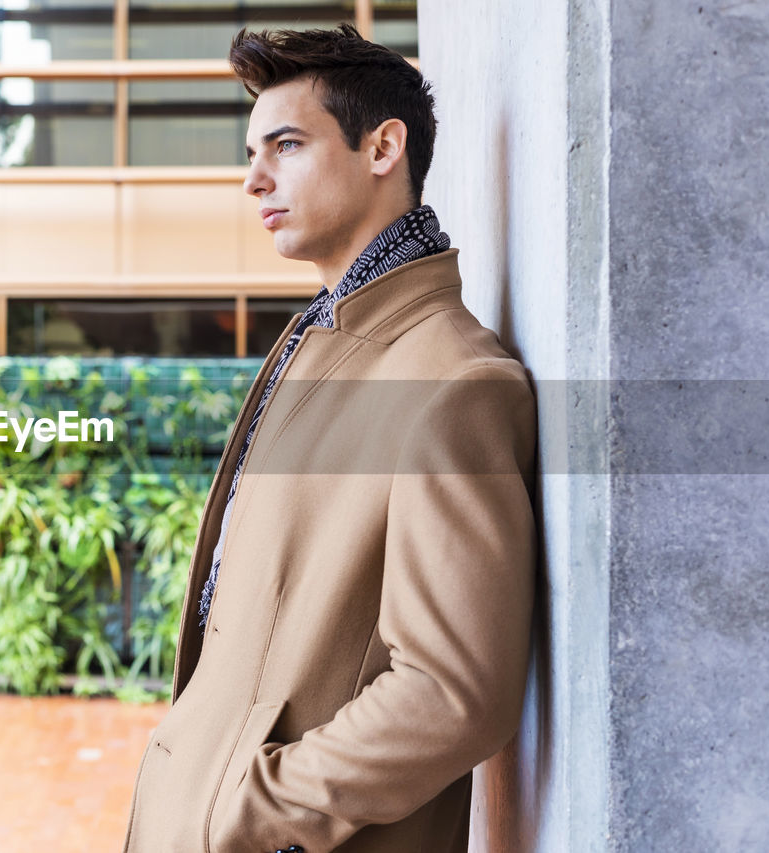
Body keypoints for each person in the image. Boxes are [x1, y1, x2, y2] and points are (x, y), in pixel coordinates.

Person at [122, 24, 538, 853]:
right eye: (252, 151)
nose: (254, 179)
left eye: (285, 145)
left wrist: (245, 812)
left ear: (383, 147)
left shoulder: (452, 383)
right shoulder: (318, 338)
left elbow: (451, 692)